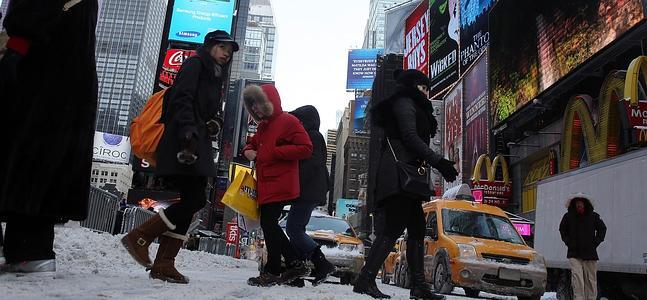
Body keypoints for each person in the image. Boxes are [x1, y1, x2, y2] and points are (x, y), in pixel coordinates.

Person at [121, 30, 239, 284]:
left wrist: (215, 123)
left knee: (192, 200)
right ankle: (140, 236)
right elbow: (181, 99)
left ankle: (164, 263)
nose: (226, 53)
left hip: (198, 139)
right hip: (184, 140)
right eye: (222, 47)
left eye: (229, 51)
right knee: (194, 198)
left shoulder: (214, 75)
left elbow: (210, 110)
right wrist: (188, 132)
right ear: (209, 47)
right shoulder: (195, 64)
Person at [0, 0, 99, 273]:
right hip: (73, 83)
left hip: (36, 70)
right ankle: (31, 249)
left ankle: (26, 248)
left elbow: (27, 17)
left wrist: (15, 49)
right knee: (48, 162)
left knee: (18, 152)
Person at [353, 69, 457, 299]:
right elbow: (410, 137)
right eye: (423, 87)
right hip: (398, 176)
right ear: (413, 85)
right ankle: (366, 278)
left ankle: (419, 286)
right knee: (394, 227)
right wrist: (440, 162)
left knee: (417, 229)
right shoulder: (404, 102)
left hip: (407, 179)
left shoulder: (413, 104)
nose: (427, 92)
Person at [242, 84, 313, 287]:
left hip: (281, 182)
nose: (255, 109)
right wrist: (248, 150)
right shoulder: (264, 126)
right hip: (267, 182)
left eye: (258, 104)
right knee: (269, 225)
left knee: (269, 224)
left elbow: (306, 148)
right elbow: (252, 144)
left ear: (268, 102)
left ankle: (274, 269)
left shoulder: (288, 121)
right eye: (251, 105)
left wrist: (274, 153)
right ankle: (293, 264)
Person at [286, 105, 335, 286]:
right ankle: (296, 274)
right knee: (298, 229)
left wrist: (294, 185)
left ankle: (321, 262)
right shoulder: (315, 136)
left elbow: (310, 166)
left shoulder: (311, 135)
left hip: (307, 191)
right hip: (312, 190)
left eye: (299, 120)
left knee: (293, 229)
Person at [559, 193, 606, 300]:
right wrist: (568, 242)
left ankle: (591, 298)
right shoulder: (568, 216)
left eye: (581, 202)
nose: (579, 204)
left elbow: (603, 229)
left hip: (590, 253)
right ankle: (579, 298)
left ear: (585, 204)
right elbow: (562, 230)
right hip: (574, 253)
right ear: (574, 204)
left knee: (591, 279)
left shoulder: (593, 216)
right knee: (577, 278)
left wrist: (596, 242)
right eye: (577, 203)